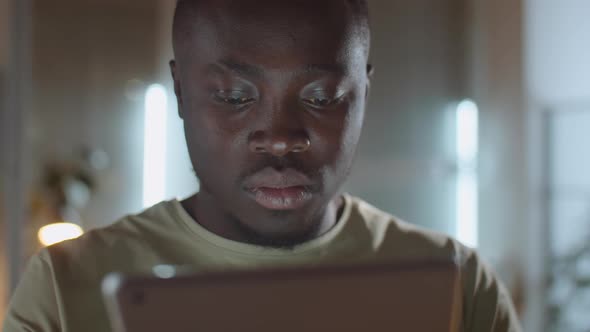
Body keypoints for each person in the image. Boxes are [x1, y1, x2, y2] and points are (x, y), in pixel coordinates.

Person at [3, 0, 522, 331]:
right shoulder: (65, 288)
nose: (279, 139)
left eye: (320, 96)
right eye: (233, 97)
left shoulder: (459, 285)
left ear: (365, 91)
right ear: (181, 92)